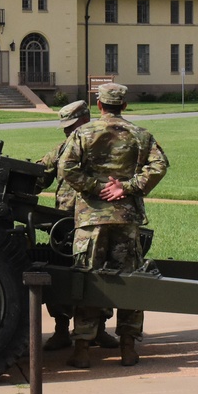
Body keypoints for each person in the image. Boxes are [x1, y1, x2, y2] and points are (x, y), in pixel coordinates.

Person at [58, 82, 168, 368]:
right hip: (125, 218)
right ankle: (128, 348)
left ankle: (82, 348)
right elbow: (159, 165)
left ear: (99, 105)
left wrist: (95, 187)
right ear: (124, 106)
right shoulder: (140, 135)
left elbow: (66, 167)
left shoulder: (83, 133)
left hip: (90, 220)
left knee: (87, 280)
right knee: (129, 282)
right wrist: (127, 188)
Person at [35, 100, 119, 351]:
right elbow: (40, 174)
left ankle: (98, 329)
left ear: (85, 119)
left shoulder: (104, 148)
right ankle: (61, 329)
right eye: (65, 127)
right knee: (60, 271)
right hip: (65, 222)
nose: (67, 131)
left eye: (71, 126)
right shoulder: (62, 150)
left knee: (100, 274)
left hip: (96, 220)